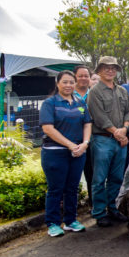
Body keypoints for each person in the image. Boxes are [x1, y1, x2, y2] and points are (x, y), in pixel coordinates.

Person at [39, 71, 92, 237]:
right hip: (55, 153)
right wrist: (70, 145)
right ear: (57, 83)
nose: (69, 85)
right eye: (65, 82)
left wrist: (85, 143)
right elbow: (48, 128)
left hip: (77, 152)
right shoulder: (50, 103)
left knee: (72, 188)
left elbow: (87, 124)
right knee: (56, 189)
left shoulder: (80, 103)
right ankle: (53, 223)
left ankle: (70, 220)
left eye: (71, 82)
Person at [87, 56, 129, 227]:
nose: (110, 70)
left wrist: (125, 129)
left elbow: (128, 112)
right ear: (99, 70)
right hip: (102, 140)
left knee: (117, 177)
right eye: (106, 67)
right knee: (99, 178)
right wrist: (117, 133)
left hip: (120, 141)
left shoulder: (122, 91)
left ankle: (114, 208)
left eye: (113, 67)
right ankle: (99, 212)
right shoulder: (95, 92)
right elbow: (99, 117)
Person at [73, 65, 94, 203]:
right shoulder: (68, 94)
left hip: (91, 140)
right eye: (80, 75)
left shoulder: (94, 93)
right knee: (72, 175)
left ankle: (93, 203)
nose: (83, 78)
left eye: (86, 76)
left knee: (91, 173)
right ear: (75, 77)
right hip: (72, 139)